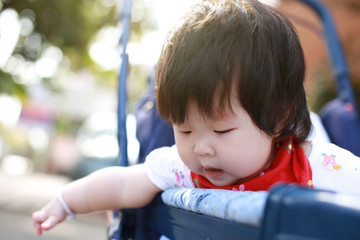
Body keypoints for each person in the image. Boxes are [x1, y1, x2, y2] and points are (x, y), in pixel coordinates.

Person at [32, 0, 360, 235]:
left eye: (222, 129)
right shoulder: (179, 167)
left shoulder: (316, 165)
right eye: (184, 129)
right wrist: (65, 201)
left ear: (278, 118)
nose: (201, 148)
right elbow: (121, 183)